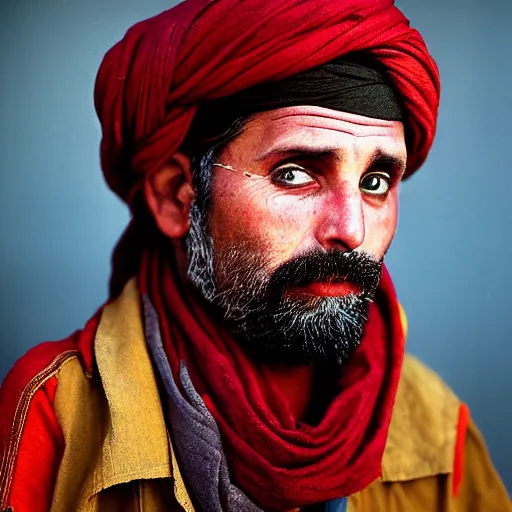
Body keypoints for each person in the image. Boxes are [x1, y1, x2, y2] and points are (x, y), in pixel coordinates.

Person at [0, 0, 510, 510]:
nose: (350, 230)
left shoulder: (438, 425)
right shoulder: (56, 414)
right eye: (294, 173)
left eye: (375, 182)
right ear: (177, 194)